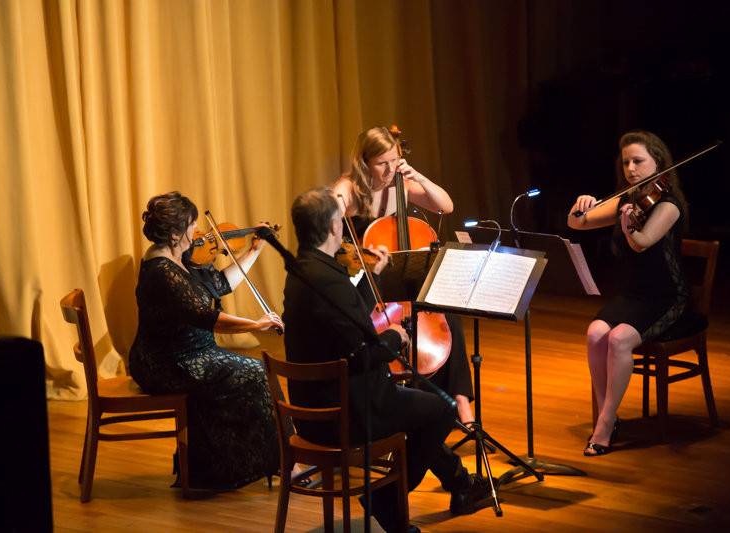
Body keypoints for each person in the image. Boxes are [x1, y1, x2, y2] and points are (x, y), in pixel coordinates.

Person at [282, 187, 490, 533]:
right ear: (334, 228)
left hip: (313, 408)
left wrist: (371, 276)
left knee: (421, 407)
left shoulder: (302, 272)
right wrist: (396, 335)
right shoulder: (330, 281)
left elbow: (351, 324)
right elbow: (367, 353)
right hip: (348, 412)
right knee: (440, 410)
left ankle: (413, 498)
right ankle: (387, 500)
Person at [129, 191, 285, 489]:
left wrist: (255, 249)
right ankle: (269, 461)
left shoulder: (180, 259)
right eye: (190, 226)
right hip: (166, 362)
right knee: (255, 372)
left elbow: (222, 283)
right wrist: (256, 324)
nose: (196, 233)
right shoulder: (162, 272)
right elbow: (207, 317)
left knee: (252, 372)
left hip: (190, 352)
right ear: (175, 234)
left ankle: (236, 463)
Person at [333, 126, 475, 425]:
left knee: (446, 312)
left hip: (400, 275)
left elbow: (446, 206)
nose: (389, 169)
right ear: (364, 162)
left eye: (395, 161)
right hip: (367, 279)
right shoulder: (349, 187)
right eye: (382, 163)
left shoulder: (401, 184)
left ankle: (462, 402)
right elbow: (330, 221)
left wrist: (417, 176)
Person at [568, 131, 691, 456]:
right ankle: (610, 412)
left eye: (639, 161)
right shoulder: (629, 200)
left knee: (619, 339)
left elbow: (643, 242)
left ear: (658, 162)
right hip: (635, 294)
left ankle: (605, 424)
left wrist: (627, 228)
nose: (631, 169)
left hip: (667, 297)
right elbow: (577, 224)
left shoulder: (667, 204)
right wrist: (580, 205)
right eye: (626, 162)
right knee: (596, 332)